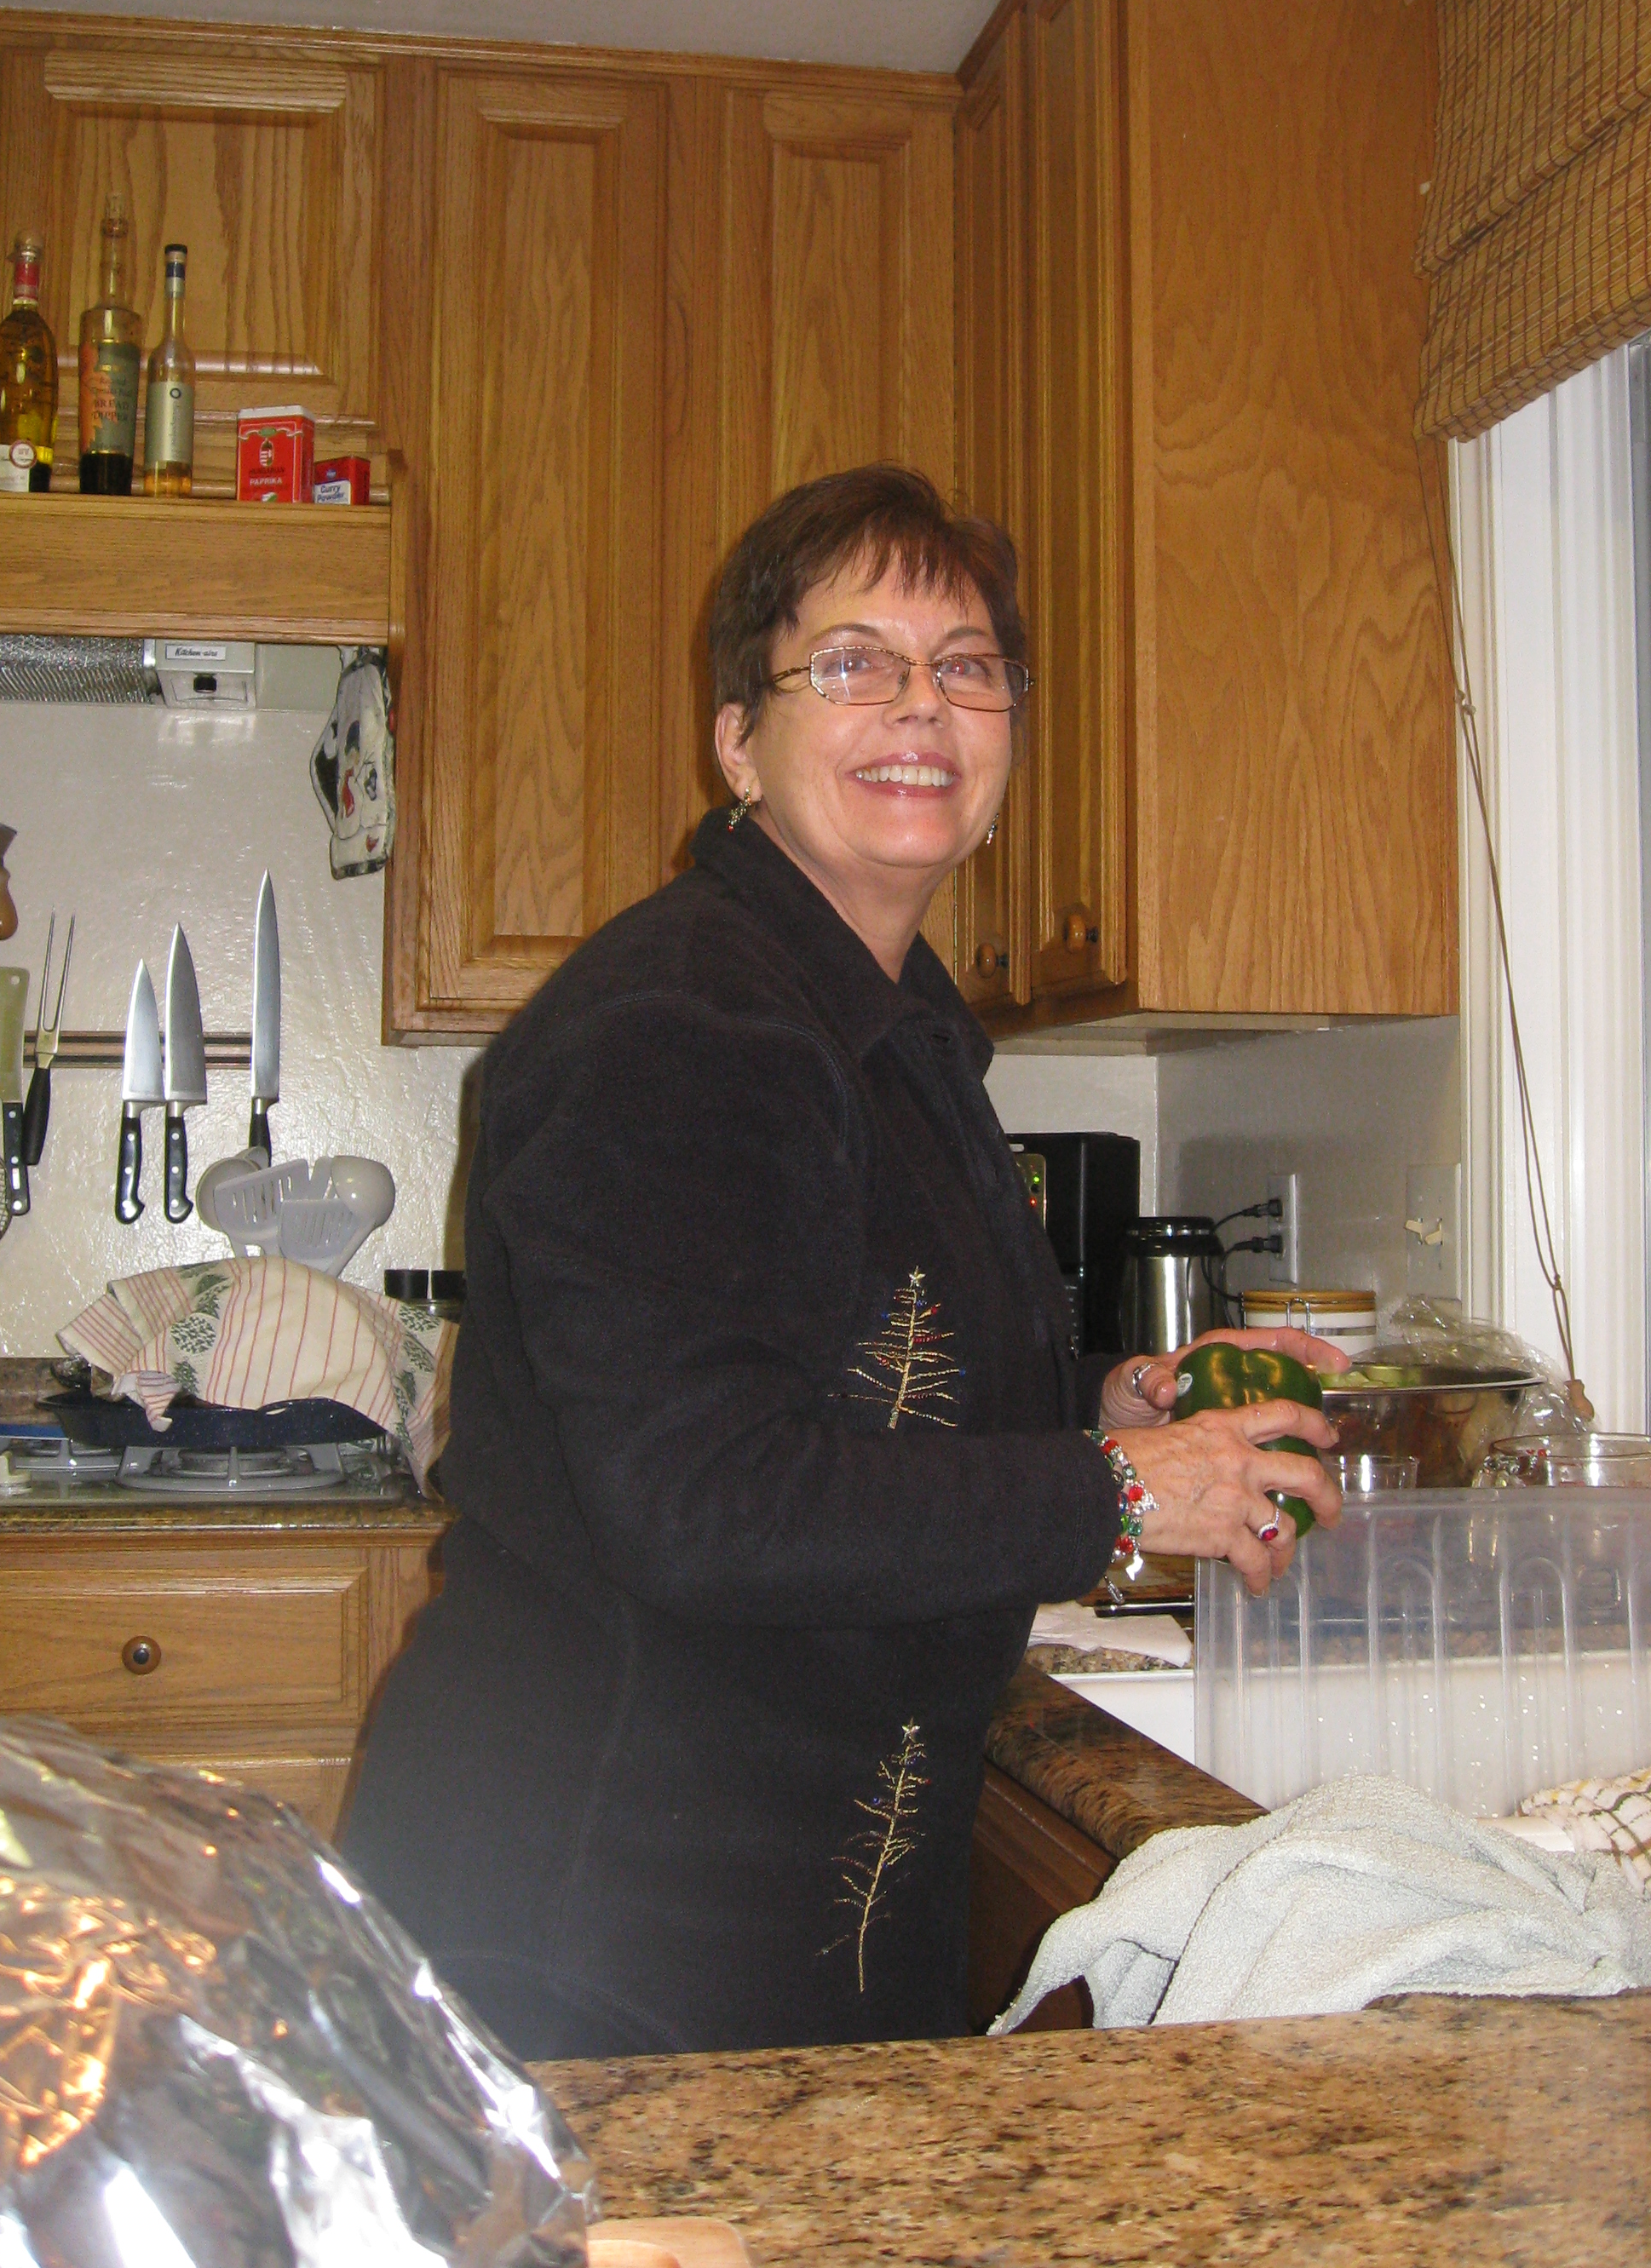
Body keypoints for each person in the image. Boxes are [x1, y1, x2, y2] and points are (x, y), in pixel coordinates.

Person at [343, 463, 1341, 2058]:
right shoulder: (681, 1029)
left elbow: (866, 1386)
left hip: (773, 1910)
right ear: (739, 739)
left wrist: (1118, 1401)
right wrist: (1116, 1489)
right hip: (597, 1934)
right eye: (853, 662)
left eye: (967, 666)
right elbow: (706, 1499)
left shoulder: (887, 1030)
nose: (921, 706)